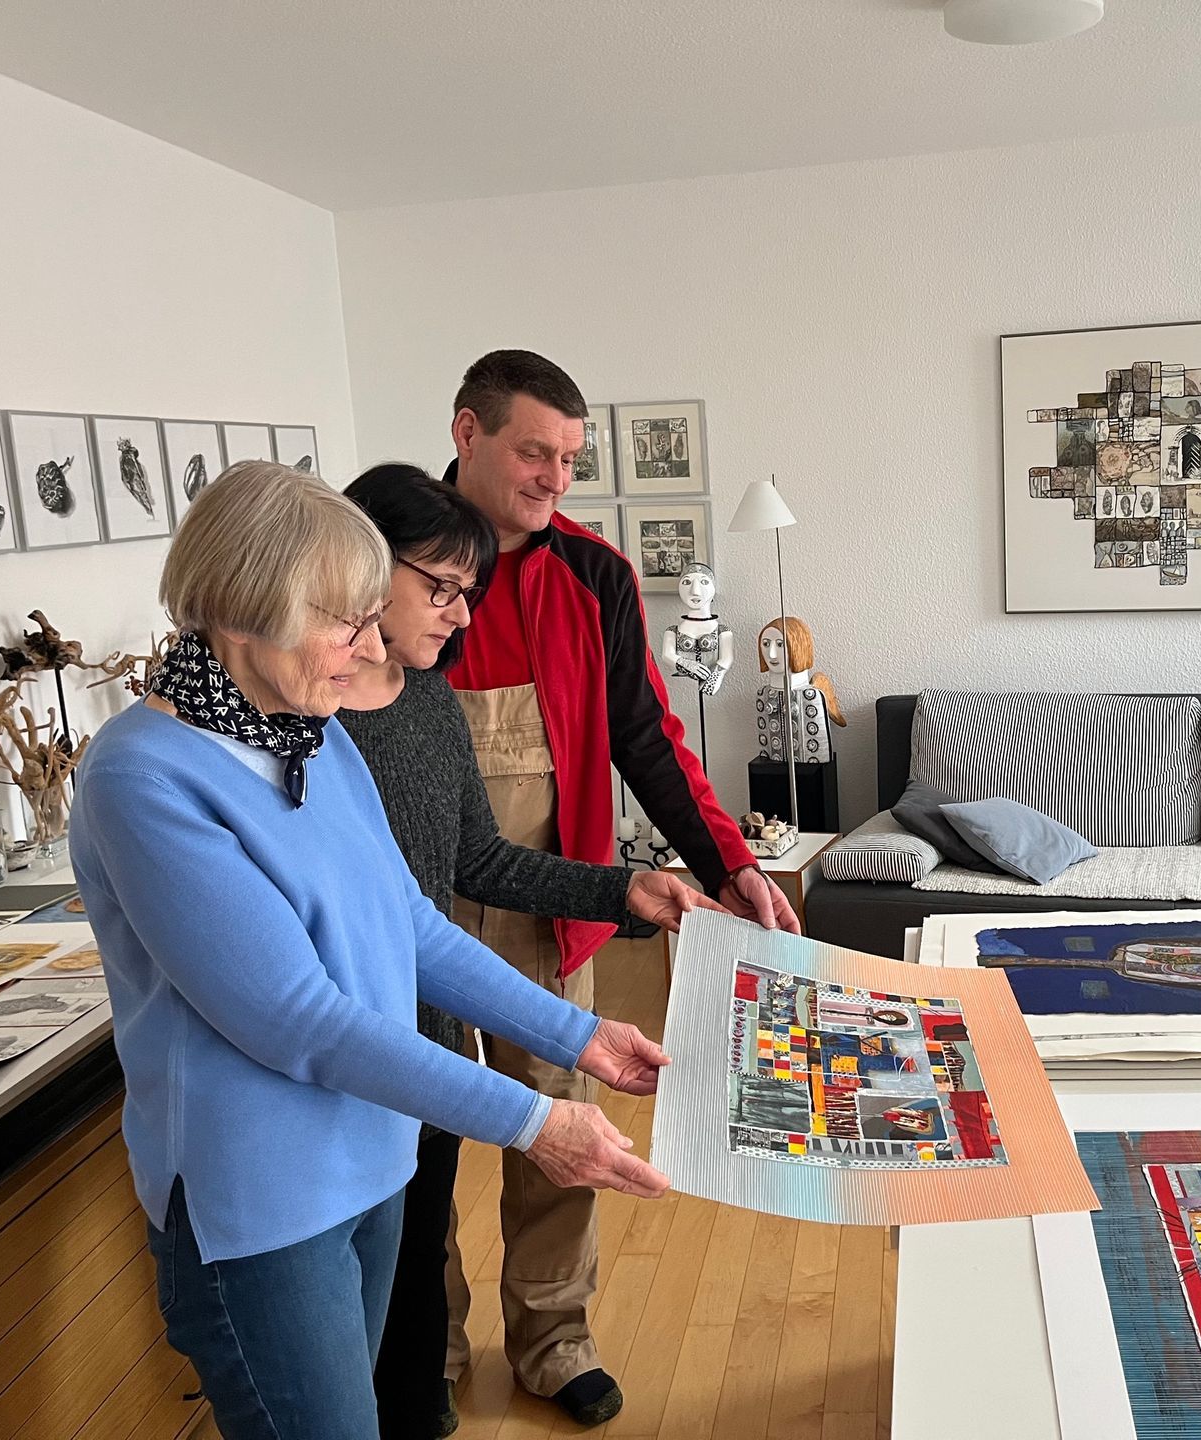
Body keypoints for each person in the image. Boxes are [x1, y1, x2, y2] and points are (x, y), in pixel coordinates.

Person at [70, 462, 672, 1440]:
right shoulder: (143, 776)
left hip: (373, 1157)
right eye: (345, 624)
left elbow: (412, 924)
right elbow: (299, 1021)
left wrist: (580, 1036)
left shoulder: (314, 732)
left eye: (369, 619)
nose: (370, 649)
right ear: (245, 609)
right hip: (262, 1205)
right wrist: (534, 1123)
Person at [440, 350, 796, 1423]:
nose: (555, 479)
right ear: (467, 433)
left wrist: (731, 861)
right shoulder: (392, 556)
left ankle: (553, 1338)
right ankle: (426, 1350)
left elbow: (647, 737)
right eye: (533, 453)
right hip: (414, 904)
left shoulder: (594, 575)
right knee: (413, 1137)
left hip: (554, 907)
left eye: (569, 459)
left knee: (559, 1126)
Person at [337, 464, 722, 1438]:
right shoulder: (307, 723)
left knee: (431, 1218)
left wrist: (620, 890)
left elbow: (473, 862)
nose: (463, 616)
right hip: (352, 1049)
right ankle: (425, 1366)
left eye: (469, 592)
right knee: (382, 1281)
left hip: (428, 1012)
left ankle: (514, 1351)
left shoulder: (427, 695)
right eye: (443, 589)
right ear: (360, 566)